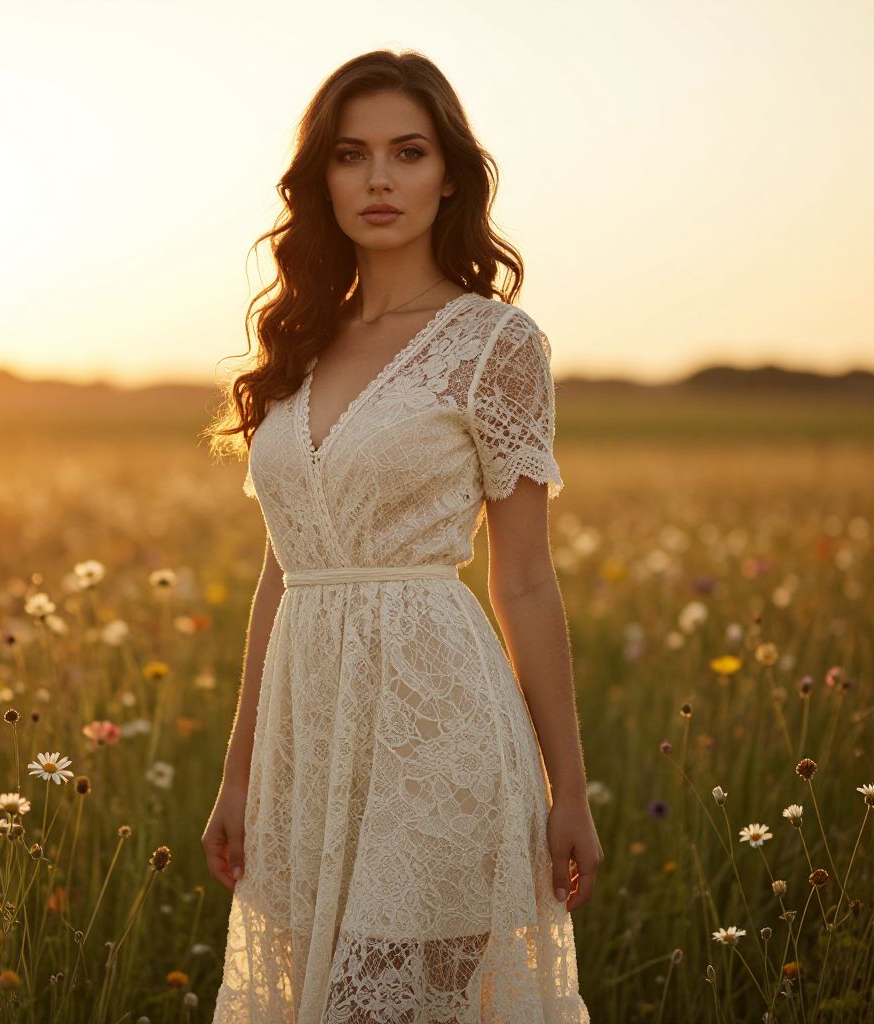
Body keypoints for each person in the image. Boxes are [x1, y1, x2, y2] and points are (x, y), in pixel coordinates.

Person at [202, 48, 601, 1023]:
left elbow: (526, 583)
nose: (379, 178)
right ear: (320, 178)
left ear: (449, 173)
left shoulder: (495, 345)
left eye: (408, 151)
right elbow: (283, 572)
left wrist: (570, 790)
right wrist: (238, 773)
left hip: (439, 732)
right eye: (351, 154)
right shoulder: (296, 344)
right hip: (310, 743)